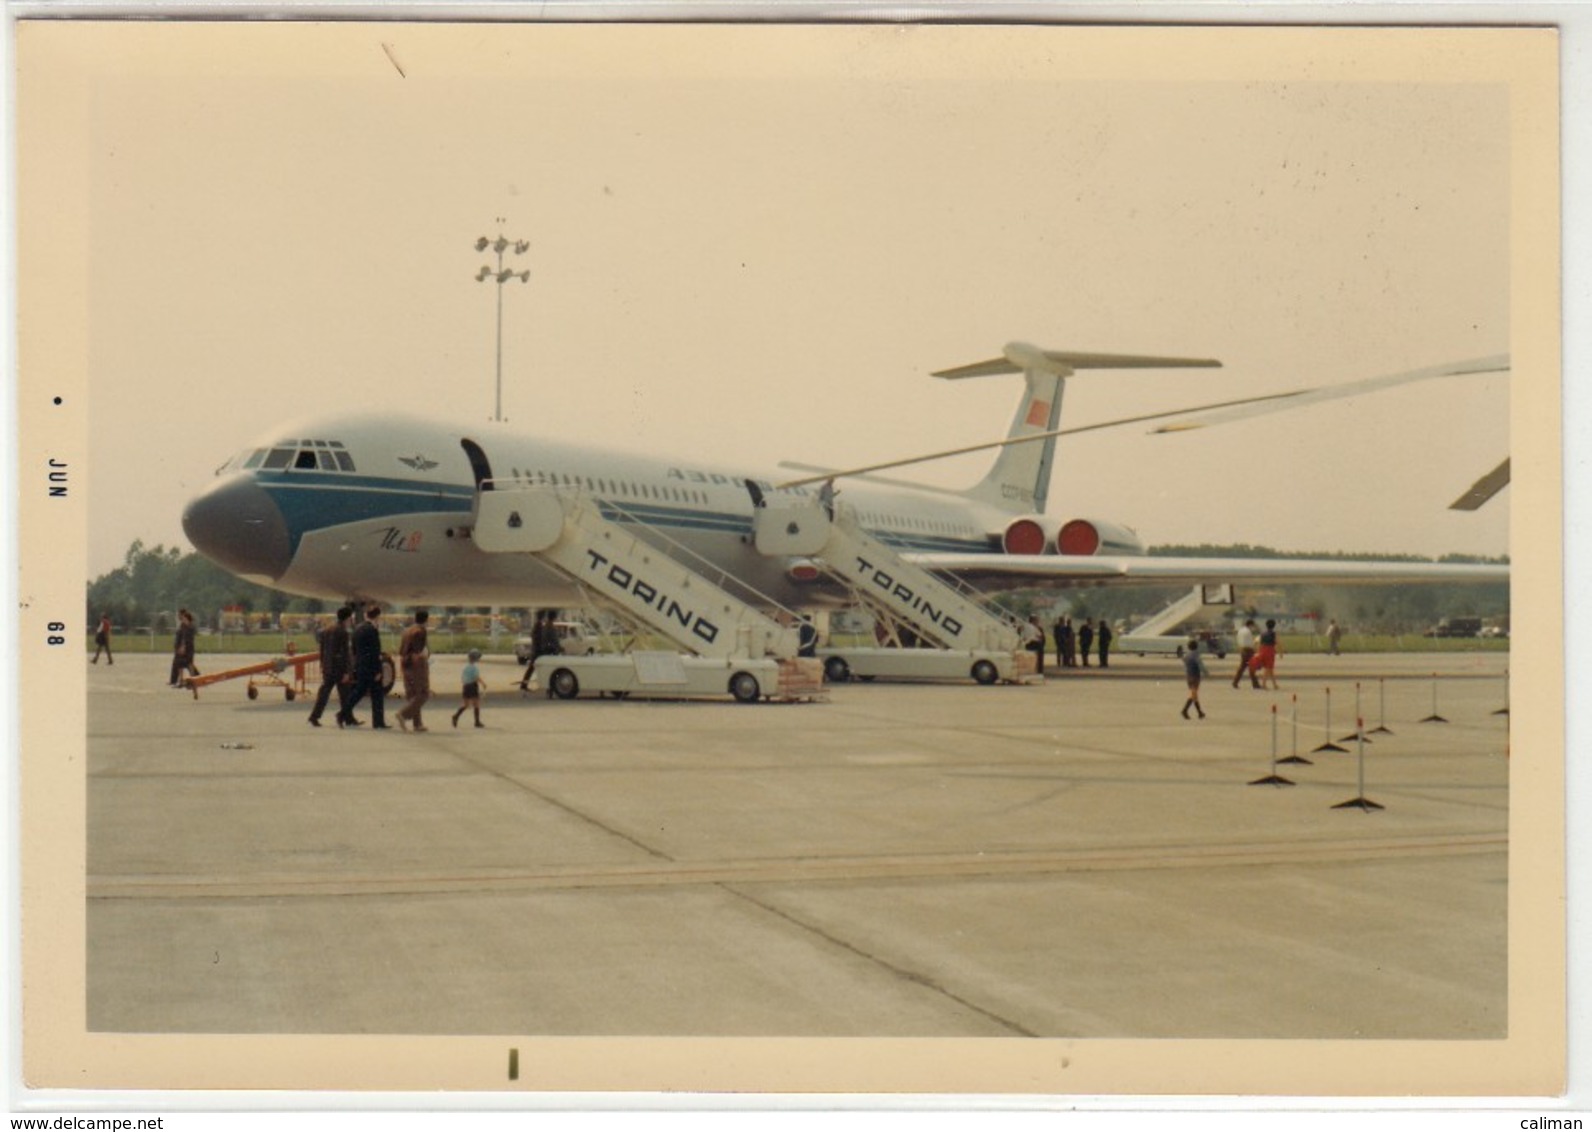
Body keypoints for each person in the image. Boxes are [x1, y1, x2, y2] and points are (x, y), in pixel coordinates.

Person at [343, 605, 390, 729]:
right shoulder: (372, 630)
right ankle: (378, 722)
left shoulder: (357, 629)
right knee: (377, 695)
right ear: (377, 617)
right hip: (372, 667)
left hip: (360, 665)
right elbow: (375, 652)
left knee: (359, 692)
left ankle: (343, 713)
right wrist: (378, 670)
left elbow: (353, 649)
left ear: (366, 615)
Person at [308, 606, 353, 728]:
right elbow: (344, 654)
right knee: (345, 694)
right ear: (347, 618)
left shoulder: (326, 630)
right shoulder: (343, 632)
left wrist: (323, 664)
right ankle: (346, 717)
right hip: (339, 669)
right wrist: (346, 671)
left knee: (324, 694)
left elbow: (322, 650)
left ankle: (314, 716)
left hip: (328, 667)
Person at [395, 609, 432, 732]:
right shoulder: (420, 631)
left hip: (406, 663)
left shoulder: (406, 631)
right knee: (423, 693)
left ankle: (417, 724)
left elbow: (401, 650)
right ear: (426, 619)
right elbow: (420, 650)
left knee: (412, 694)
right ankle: (403, 714)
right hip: (417, 664)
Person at [453, 649, 487, 729]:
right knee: (476, 704)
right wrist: (483, 683)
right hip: (472, 686)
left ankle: (456, 716)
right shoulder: (474, 668)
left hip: (465, 686)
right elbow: (476, 677)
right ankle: (477, 722)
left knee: (466, 705)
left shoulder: (465, 667)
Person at [168, 609, 197, 688]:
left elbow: (187, 639)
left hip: (189, 649)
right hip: (183, 649)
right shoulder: (183, 627)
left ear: (187, 619)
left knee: (189, 664)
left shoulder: (190, 627)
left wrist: (183, 646)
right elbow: (182, 637)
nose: (182, 620)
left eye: (184, 618)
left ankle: (194, 680)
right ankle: (180, 681)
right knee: (179, 664)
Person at [1181, 638, 1207, 719]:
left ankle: (1200, 712)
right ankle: (1185, 710)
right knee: (1193, 694)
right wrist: (1206, 672)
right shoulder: (1196, 655)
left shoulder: (1186, 655)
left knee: (1194, 694)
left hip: (1189, 676)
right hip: (1195, 676)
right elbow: (1200, 665)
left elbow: (1185, 664)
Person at [1232, 618, 1261, 689]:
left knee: (1242, 667)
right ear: (1250, 625)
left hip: (1243, 649)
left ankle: (1235, 682)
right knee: (1251, 667)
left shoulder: (1240, 630)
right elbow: (1251, 642)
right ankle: (1255, 684)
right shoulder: (1248, 632)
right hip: (1248, 651)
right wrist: (1255, 648)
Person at [1254, 618, 1282, 690]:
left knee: (1270, 669)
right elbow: (1278, 643)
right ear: (1274, 626)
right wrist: (1280, 653)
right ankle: (1264, 684)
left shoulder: (1262, 633)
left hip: (1262, 650)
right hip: (1269, 651)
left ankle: (1274, 685)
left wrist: (1258, 652)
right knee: (1268, 668)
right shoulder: (1274, 634)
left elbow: (1259, 643)